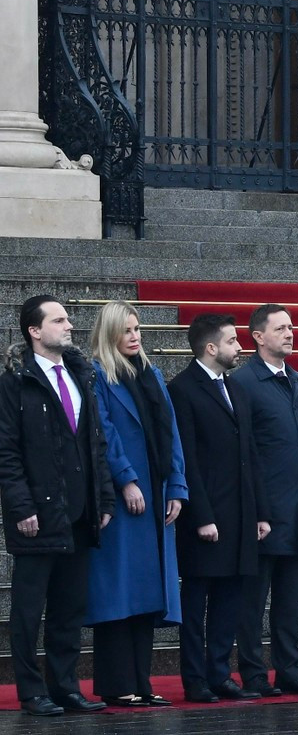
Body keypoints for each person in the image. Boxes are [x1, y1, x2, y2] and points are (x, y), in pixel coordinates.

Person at [1, 297, 116, 716]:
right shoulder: (16, 381)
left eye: (69, 318)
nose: (70, 326)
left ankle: (66, 687)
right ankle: (32, 692)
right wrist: (21, 506)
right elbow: (7, 451)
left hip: (80, 514)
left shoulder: (80, 375)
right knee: (29, 612)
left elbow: (94, 444)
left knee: (69, 610)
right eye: (60, 320)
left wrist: (103, 497)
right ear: (34, 330)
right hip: (37, 515)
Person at [84, 300, 187, 708]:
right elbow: (102, 432)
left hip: (157, 494)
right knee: (119, 594)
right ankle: (116, 683)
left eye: (137, 328)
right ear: (109, 333)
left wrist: (177, 485)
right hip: (125, 501)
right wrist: (126, 480)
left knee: (146, 595)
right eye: (127, 330)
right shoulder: (96, 375)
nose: (135, 336)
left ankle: (141, 682)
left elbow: (170, 432)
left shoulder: (152, 373)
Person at [235, 303, 298, 697]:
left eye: (291, 327)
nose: (290, 334)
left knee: (291, 599)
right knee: (253, 600)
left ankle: (290, 670)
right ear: (258, 336)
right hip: (265, 510)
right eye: (280, 328)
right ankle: (254, 675)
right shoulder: (243, 382)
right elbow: (246, 452)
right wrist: (257, 507)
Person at [168, 314, 264, 703]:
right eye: (231, 341)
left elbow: (250, 455)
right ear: (211, 348)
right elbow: (187, 458)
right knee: (196, 605)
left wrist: (261, 512)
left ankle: (220, 673)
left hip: (240, 516)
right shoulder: (183, 390)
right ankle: (195, 679)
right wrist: (202, 516)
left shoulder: (236, 389)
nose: (238, 346)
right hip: (205, 520)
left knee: (230, 600)